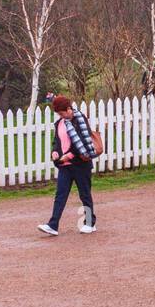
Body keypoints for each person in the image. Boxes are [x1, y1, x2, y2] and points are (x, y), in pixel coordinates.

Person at [38, 96, 100, 236]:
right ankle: (53, 225)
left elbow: (83, 142)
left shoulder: (80, 120)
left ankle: (90, 223)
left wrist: (69, 155)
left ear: (68, 109)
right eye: (58, 114)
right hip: (64, 165)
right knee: (60, 195)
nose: (61, 116)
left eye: (62, 113)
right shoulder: (60, 123)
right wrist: (55, 151)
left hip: (81, 164)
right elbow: (57, 141)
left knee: (85, 194)